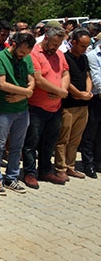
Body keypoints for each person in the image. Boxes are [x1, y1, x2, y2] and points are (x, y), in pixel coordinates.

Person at [21, 26, 70, 188]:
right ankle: (29, 172)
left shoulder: (59, 54)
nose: (56, 47)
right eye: (54, 44)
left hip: (55, 107)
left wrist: (61, 91)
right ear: (46, 38)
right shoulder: (34, 53)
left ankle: (45, 170)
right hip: (36, 108)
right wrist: (59, 92)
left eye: (59, 44)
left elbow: (65, 73)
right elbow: (38, 80)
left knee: (49, 142)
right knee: (31, 142)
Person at [0, 32, 36, 194]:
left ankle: (11, 177)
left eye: (27, 53)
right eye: (22, 52)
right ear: (14, 44)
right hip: (4, 109)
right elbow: (2, 84)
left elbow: (32, 80)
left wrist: (24, 95)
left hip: (22, 109)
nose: (24, 55)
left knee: (17, 146)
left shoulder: (27, 58)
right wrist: (26, 92)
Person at [55, 29, 93, 178]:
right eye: (82, 46)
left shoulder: (84, 58)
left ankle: (70, 166)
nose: (85, 49)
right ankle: (60, 168)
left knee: (76, 139)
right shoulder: (64, 58)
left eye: (87, 46)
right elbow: (65, 80)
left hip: (83, 105)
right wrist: (78, 94)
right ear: (74, 42)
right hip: (68, 105)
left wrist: (87, 92)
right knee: (63, 138)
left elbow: (88, 76)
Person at [79, 32, 101, 178]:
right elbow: (97, 80)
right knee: (90, 133)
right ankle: (88, 163)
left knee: (100, 134)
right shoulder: (92, 56)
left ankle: (98, 161)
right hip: (96, 99)